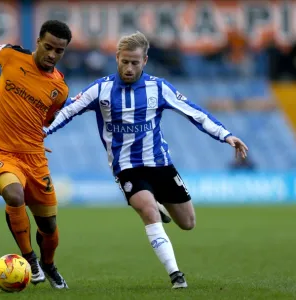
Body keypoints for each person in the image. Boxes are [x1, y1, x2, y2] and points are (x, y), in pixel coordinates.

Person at [44, 31, 248, 289]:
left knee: (187, 223)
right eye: (124, 61)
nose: (129, 68)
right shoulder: (100, 89)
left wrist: (226, 135)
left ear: (145, 61)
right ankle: (176, 275)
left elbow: (195, 113)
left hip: (160, 164)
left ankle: (159, 203)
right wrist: (42, 133)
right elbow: (68, 111)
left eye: (135, 63)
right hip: (126, 167)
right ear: (117, 58)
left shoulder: (159, 88)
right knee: (147, 210)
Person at [0, 20, 72, 289]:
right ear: (38, 41)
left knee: (49, 226)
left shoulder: (60, 89)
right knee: (13, 194)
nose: (52, 54)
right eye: (48, 47)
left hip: (35, 157)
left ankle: (48, 264)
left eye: (59, 51)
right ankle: (30, 260)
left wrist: (35, 136)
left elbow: (45, 120)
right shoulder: (9, 55)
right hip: (3, 152)